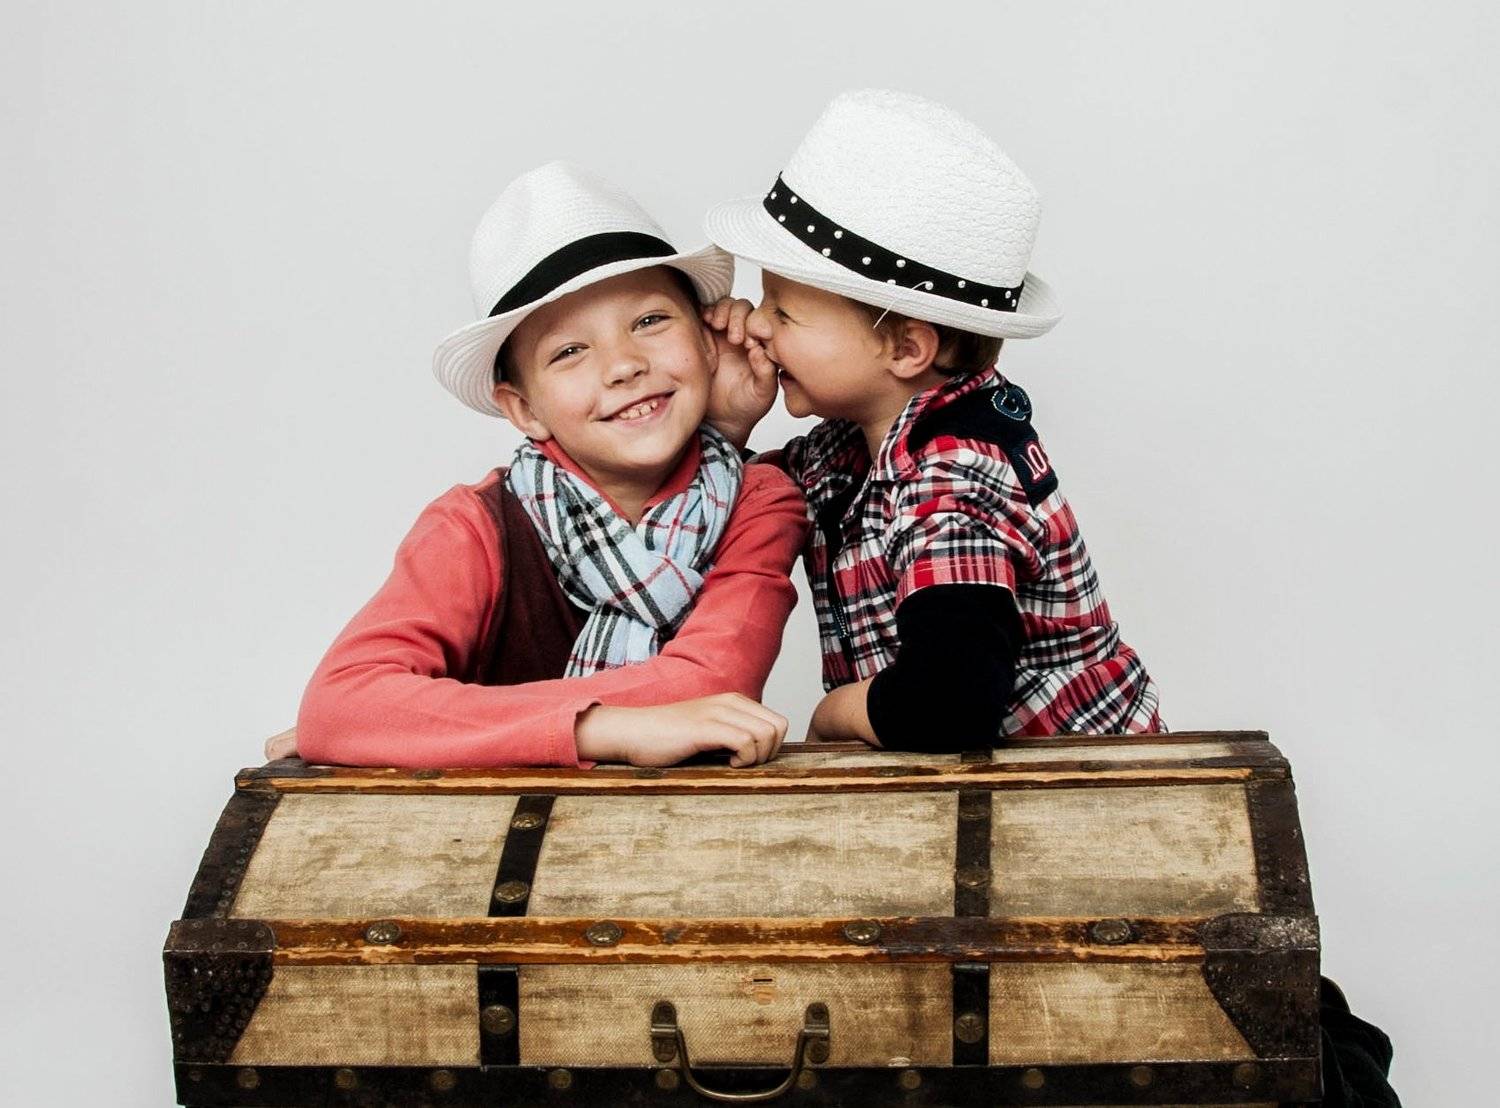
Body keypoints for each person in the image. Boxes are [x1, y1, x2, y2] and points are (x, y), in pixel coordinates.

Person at [275, 162, 808, 769]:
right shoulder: (474, 527)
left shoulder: (759, 502)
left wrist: (418, 721)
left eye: (650, 321)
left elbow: (711, 683)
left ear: (707, 342)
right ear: (525, 409)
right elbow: (339, 708)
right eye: (570, 351)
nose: (623, 365)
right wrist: (601, 729)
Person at [701, 89, 1163, 751]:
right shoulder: (847, 450)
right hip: (975, 793)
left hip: (1085, 788)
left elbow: (949, 703)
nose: (756, 326)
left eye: (784, 311)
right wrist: (729, 424)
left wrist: (833, 714)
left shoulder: (956, 473)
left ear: (906, 349)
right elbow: (723, 518)